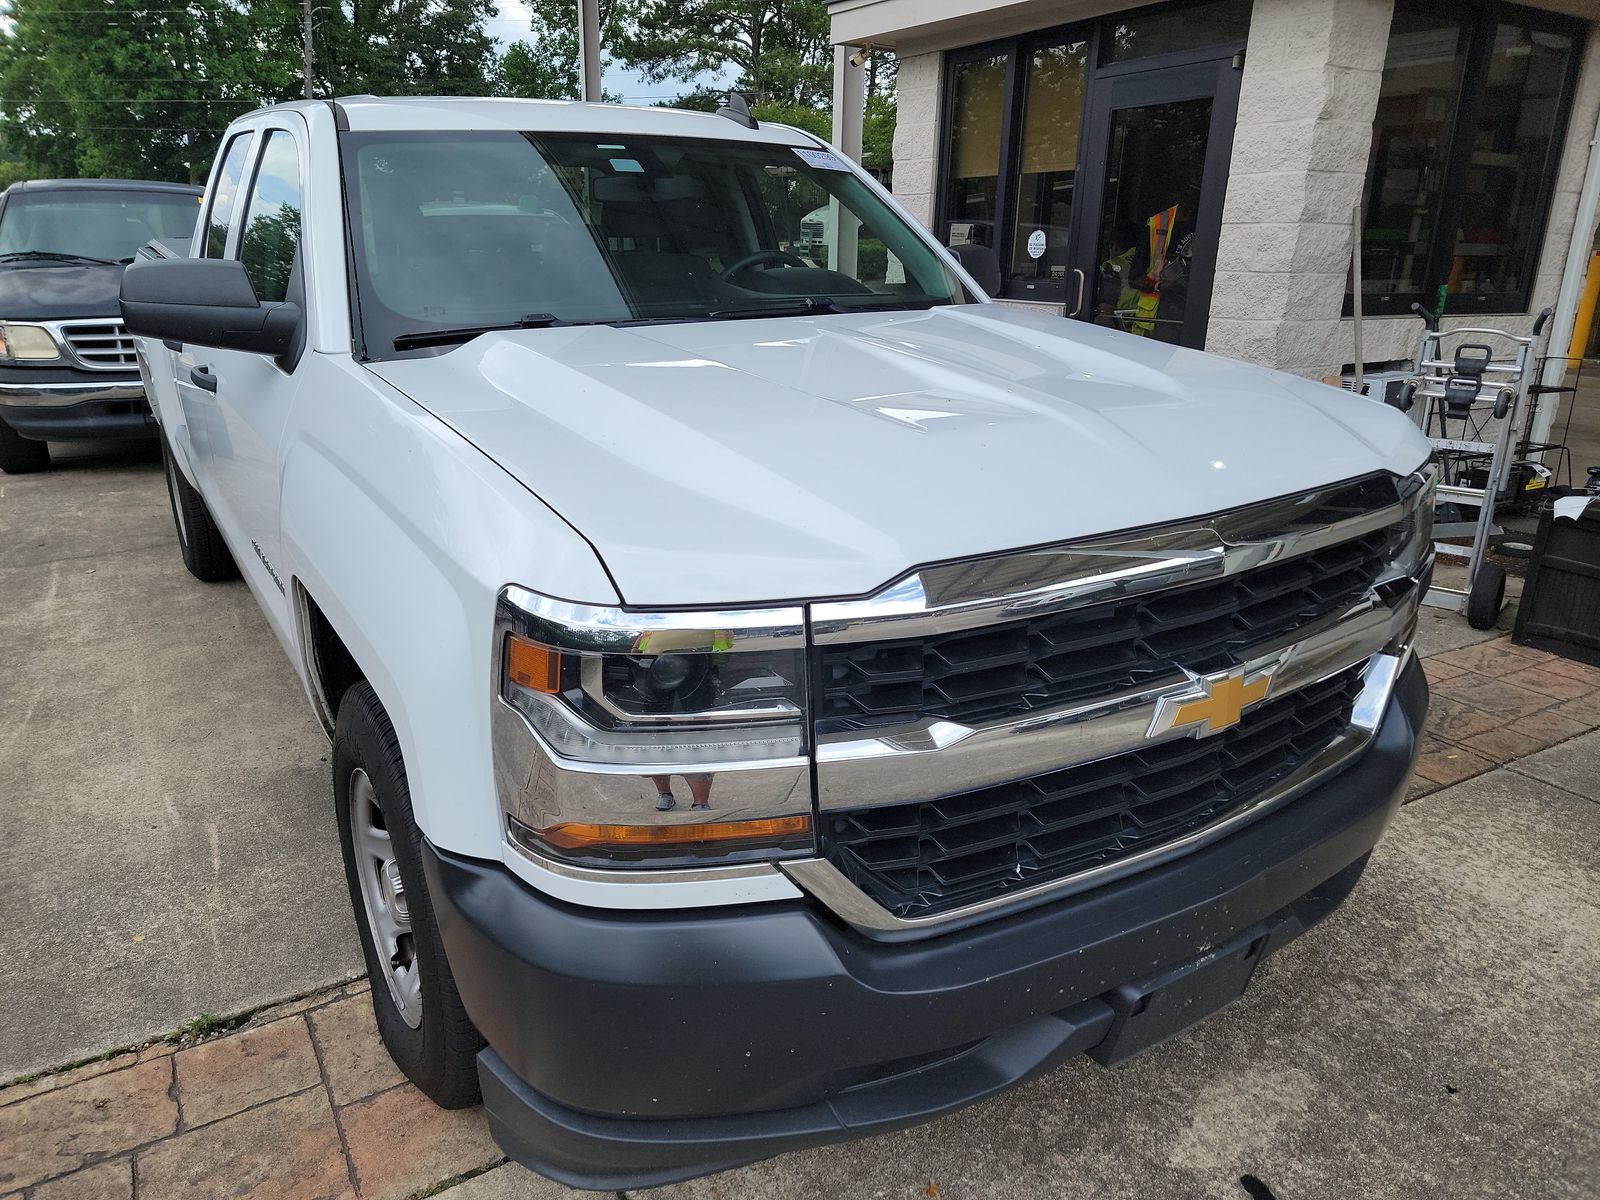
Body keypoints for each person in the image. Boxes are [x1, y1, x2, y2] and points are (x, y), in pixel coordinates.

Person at [1126, 183, 1200, 342]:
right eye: (1187, 190)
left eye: (1195, 191)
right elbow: (1134, 278)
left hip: (1193, 313)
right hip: (1158, 317)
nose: (1191, 196)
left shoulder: (1210, 221)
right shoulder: (1159, 223)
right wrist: (1158, 286)